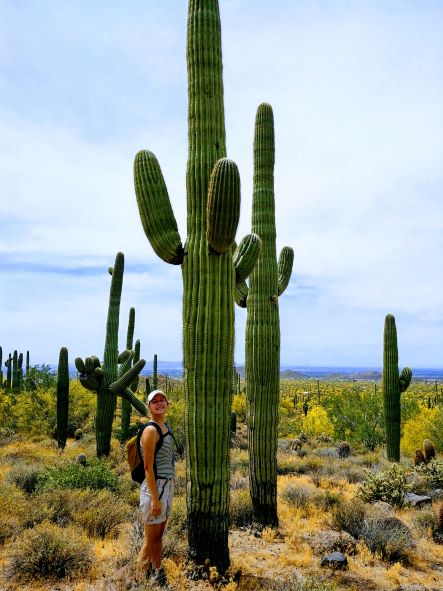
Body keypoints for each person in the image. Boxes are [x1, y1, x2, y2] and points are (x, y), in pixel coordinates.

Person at [137, 389, 175, 587]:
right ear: (149, 407)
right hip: (155, 488)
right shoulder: (151, 430)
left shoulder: (165, 426)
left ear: (167, 404)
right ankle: (139, 580)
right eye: (155, 401)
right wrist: (155, 498)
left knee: (158, 537)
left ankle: (157, 576)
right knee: (150, 539)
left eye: (162, 400)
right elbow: (147, 467)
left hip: (166, 485)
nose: (159, 403)